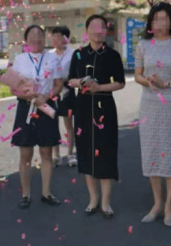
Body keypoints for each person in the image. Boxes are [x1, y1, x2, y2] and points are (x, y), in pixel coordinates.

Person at [134, 2, 171, 227]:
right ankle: (157, 203)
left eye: (165, 18)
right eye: (156, 18)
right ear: (151, 22)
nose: (160, 22)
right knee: (152, 152)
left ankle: (169, 205)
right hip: (149, 105)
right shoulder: (143, 45)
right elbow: (137, 75)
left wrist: (166, 83)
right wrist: (148, 80)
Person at [67, 15, 126, 219]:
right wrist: (81, 83)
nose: (97, 30)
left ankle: (106, 202)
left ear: (105, 31)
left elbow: (120, 82)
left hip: (104, 107)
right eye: (93, 26)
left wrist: (99, 87)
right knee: (86, 152)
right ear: (87, 31)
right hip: (83, 107)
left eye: (101, 27)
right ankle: (93, 200)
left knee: (106, 152)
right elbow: (70, 80)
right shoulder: (78, 54)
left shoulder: (112, 55)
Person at [9, 25, 65, 209]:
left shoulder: (52, 58)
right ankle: (25, 194)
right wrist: (26, 95)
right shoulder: (20, 59)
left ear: (44, 38)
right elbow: (13, 87)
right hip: (26, 107)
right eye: (32, 36)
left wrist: (47, 96)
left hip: (46, 107)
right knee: (25, 153)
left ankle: (46, 193)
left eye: (40, 35)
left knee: (46, 152)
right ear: (26, 40)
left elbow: (58, 84)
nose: (36, 39)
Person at [50, 26, 77, 168]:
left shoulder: (73, 54)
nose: (56, 39)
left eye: (59, 36)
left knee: (68, 124)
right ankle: (56, 155)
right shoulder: (49, 55)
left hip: (67, 91)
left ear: (66, 38)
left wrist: (65, 80)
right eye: (54, 36)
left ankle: (71, 154)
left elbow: (77, 73)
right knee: (53, 123)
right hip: (52, 91)